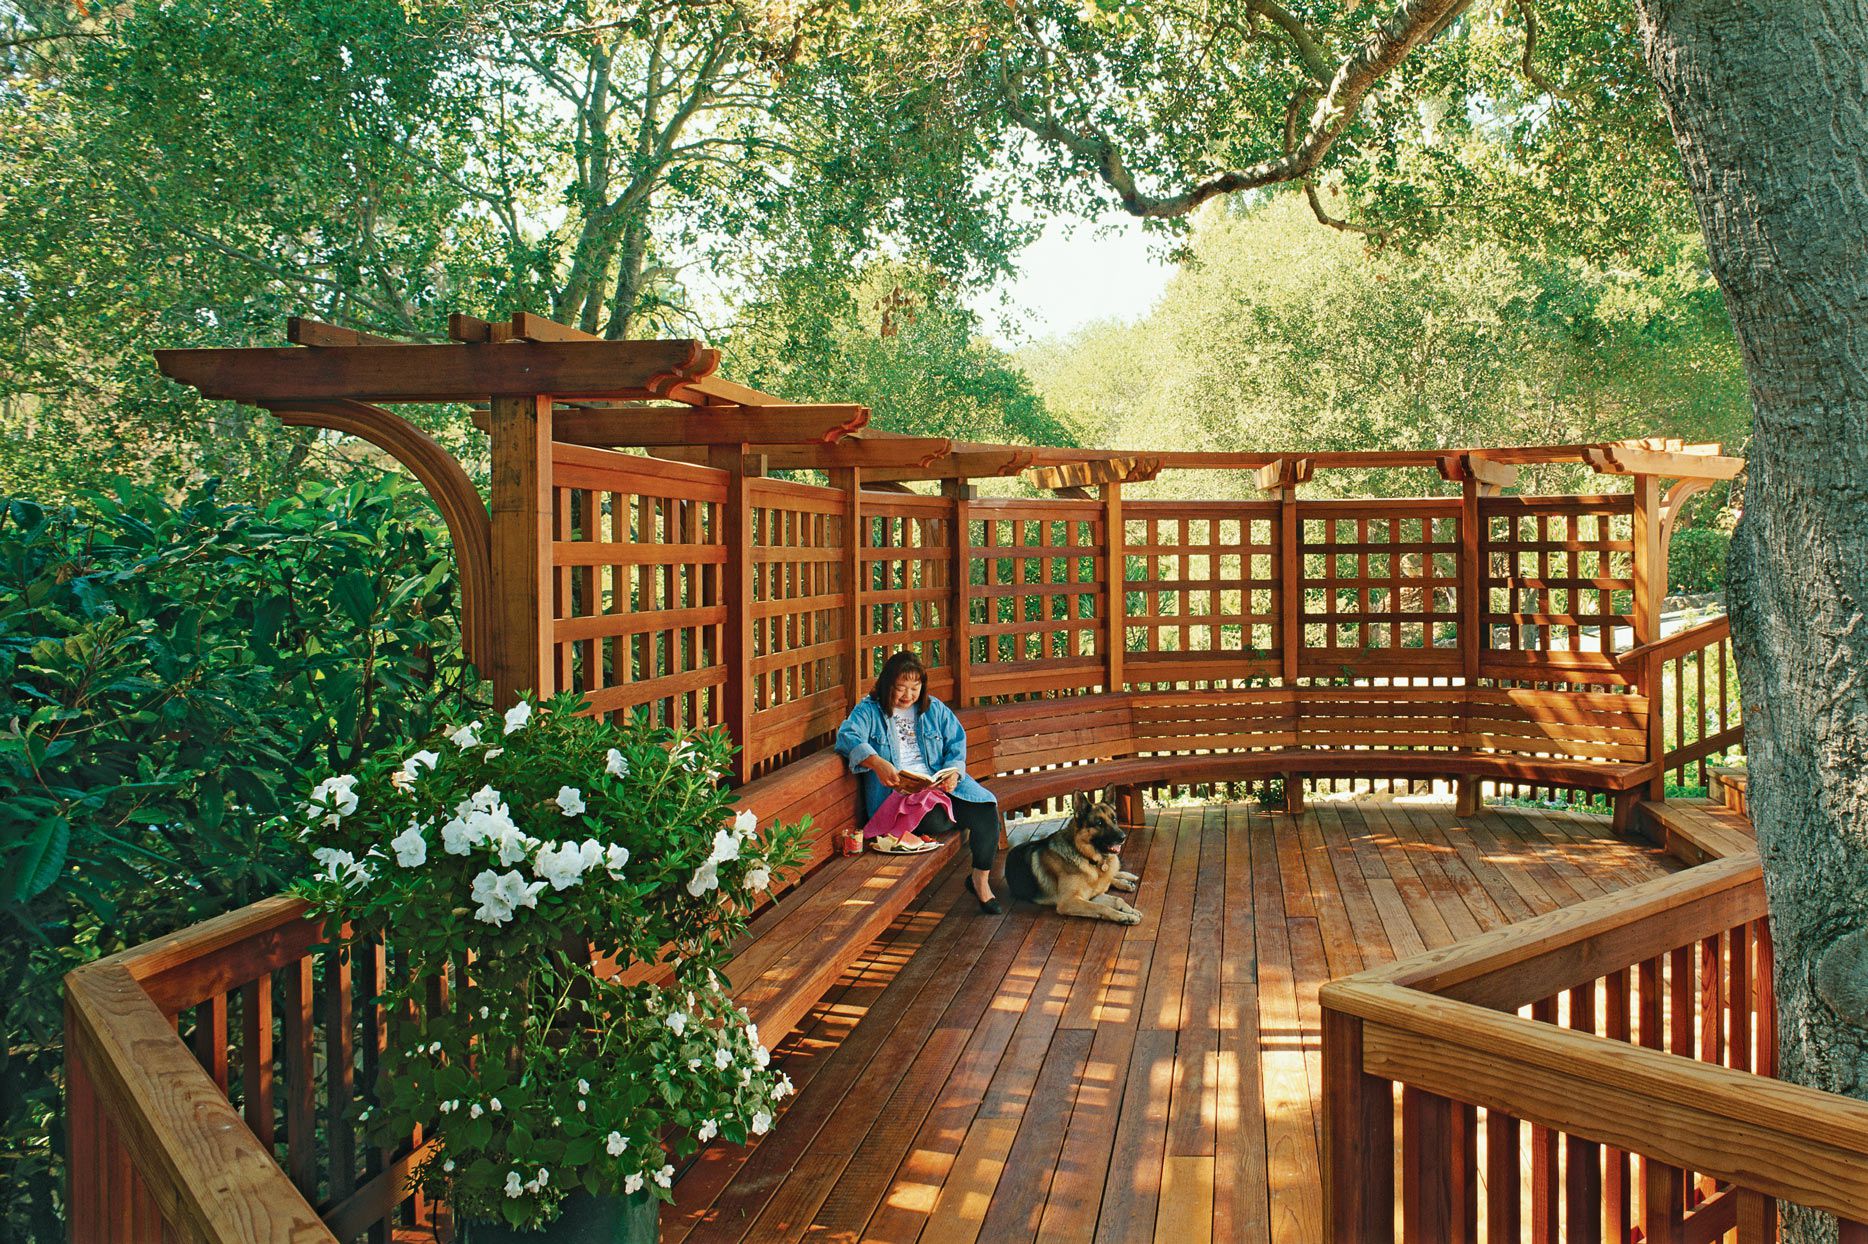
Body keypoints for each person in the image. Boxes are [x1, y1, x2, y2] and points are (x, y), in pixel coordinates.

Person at [834, 650, 1003, 914]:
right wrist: (876, 762)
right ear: (886, 684)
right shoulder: (869, 710)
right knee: (936, 820)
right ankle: (953, 814)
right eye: (900, 688)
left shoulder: (933, 709)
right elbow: (847, 736)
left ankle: (980, 882)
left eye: (915, 687)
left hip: (939, 784)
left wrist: (954, 773)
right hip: (900, 794)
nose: (907, 695)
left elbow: (956, 744)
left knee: (986, 809)